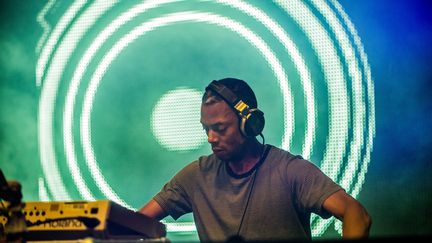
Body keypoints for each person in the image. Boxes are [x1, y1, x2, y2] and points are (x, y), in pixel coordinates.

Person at [139, 78, 371, 242]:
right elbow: (136, 222)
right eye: (206, 129)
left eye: (220, 128)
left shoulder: (290, 171)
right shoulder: (196, 176)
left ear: (249, 124)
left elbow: (355, 214)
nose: (211, 138)